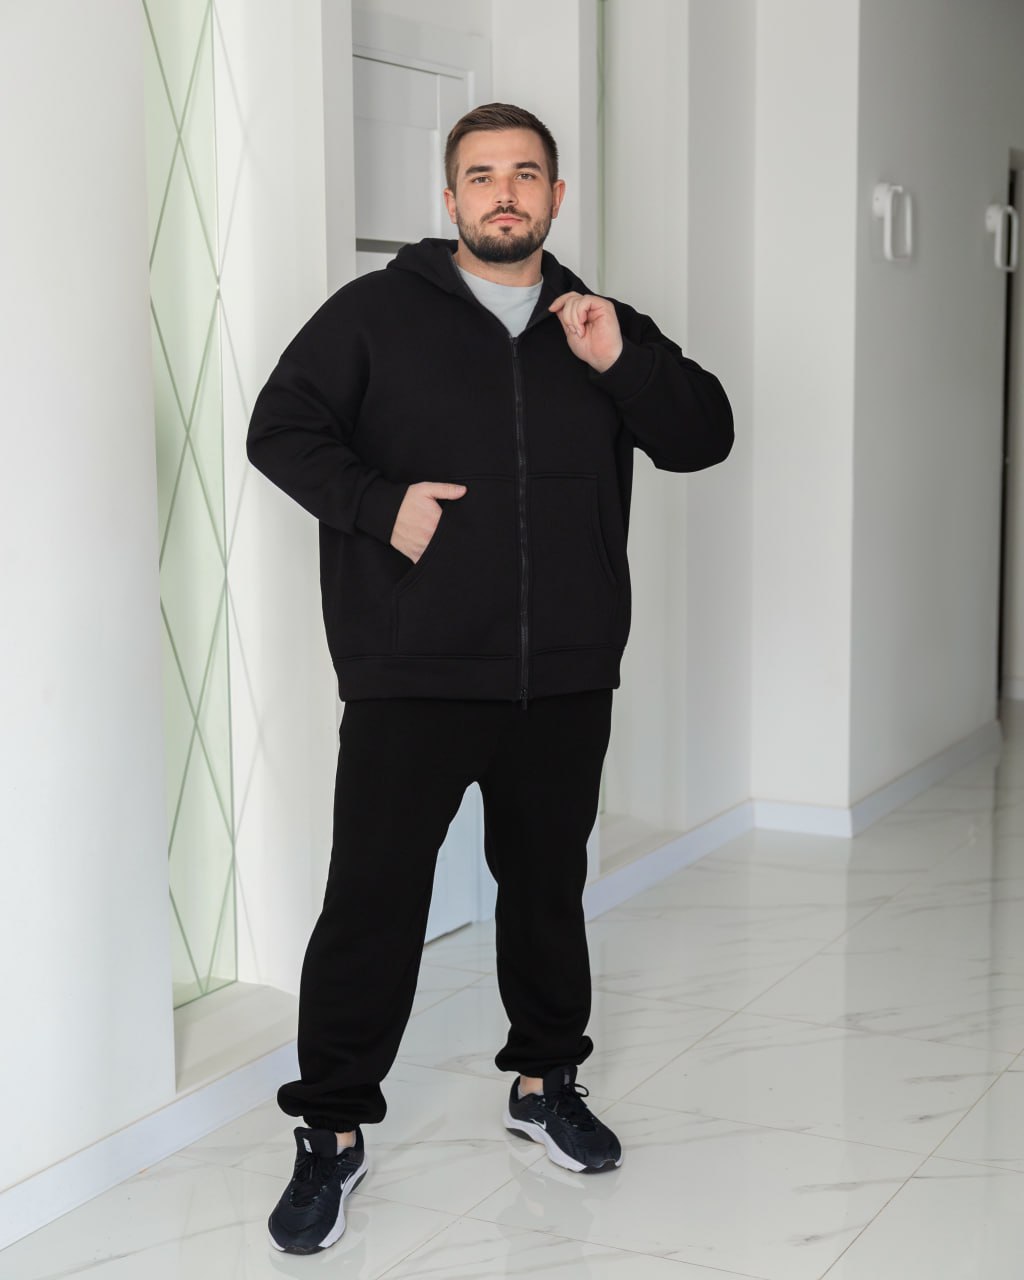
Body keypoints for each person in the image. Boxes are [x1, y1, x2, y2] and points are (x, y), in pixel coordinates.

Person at [246, 102, 733, 1256]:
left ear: (555, 197)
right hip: (410, 669)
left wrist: (623, 362)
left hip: (561, 672)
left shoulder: (596, 323)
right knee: (373, 901)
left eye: (524, 174)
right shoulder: (372, 316)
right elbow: (280, 428)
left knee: (547, 889)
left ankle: (542, 1082)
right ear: (450, 197)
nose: (503, 193)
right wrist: (380, 505)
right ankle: (330, 1128)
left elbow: (701, 435)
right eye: (480, 175)